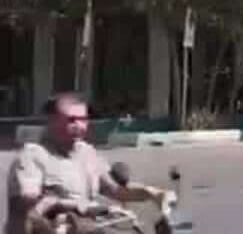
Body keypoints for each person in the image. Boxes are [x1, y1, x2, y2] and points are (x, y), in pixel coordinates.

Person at [8, 93, 172, 234]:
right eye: (71, 120)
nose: (79, 126)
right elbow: (30, 205)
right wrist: (82, 207)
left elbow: (116, 189)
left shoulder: (86, 153)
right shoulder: (32, 155)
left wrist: (153, 193)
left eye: (83, 120)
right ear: (52, 121)